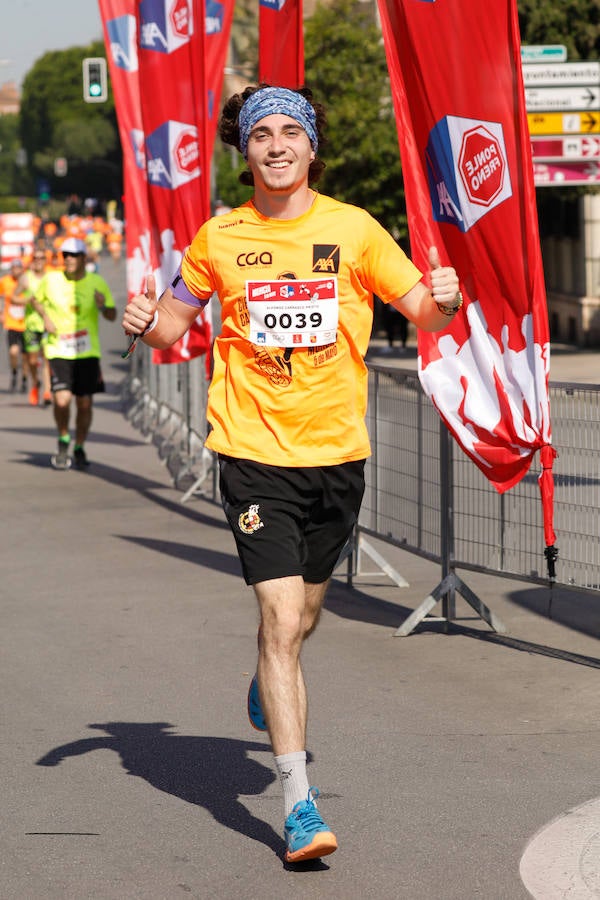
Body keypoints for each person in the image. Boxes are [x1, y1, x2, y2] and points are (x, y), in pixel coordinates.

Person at [122, 84, 462, 863]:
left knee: (304, 618)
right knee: (281, 622)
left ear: (312, 147)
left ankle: (265, 678)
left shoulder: (355, 229)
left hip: (337, 458)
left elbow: (428, 314)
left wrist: (450, 296)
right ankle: (299, 806)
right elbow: (173, 322)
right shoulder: (219, 237)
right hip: (251, 453)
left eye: (289, 133)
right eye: (261, 135)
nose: (275, 145)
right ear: (245, 154)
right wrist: (141, 320)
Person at [30, 237, 117, 469]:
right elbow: (35, 300)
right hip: (58, 348)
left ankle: (79, 446)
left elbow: (112, 315)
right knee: (62, 400)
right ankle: (63, 438)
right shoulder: (51, 279)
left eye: (73, 255)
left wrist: (102, 306)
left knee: (85, 404)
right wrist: (46, 318)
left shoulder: (96, 281)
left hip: (87, 352)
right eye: (64, 255)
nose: (68, 259)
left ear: (83, 259)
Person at [20, 249, 52, 406]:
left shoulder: (51, 277)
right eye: (36, 258)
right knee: (32, 361)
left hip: (48, 324)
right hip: (31, 324)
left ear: (46, 260)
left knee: (46, 358)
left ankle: (47, 391)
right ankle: (35, 383)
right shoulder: (26, 278)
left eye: (42, 257)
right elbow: (12, 297)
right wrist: (28, 300)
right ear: (32, 260)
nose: (38, 260)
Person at [0, 257, 29, 393]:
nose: (15, 271)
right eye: (13, 268)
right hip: (11, 323)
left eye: (18, 268)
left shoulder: (27, 281)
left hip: (26, 323)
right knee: (13, 351)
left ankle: (24, 378)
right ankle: (13, 372)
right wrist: (1, 312)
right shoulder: (5, 281)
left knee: (25, 356)